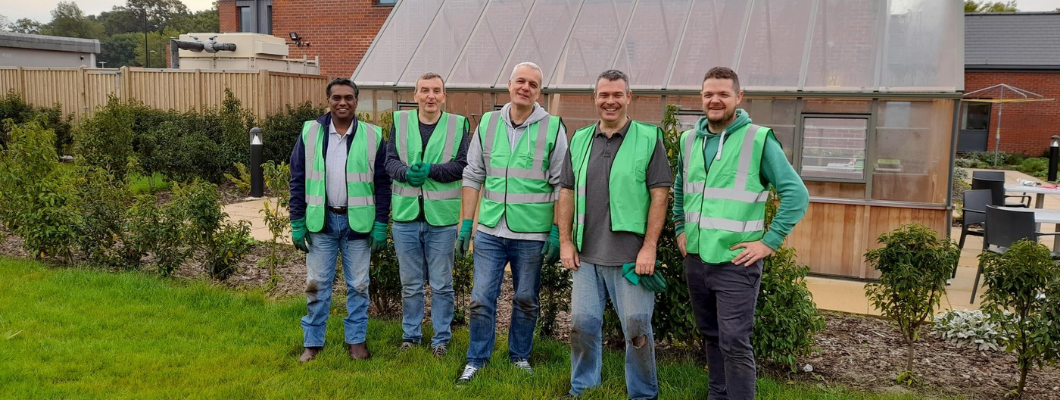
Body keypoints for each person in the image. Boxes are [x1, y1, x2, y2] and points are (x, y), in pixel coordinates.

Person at [673, 67, 808, 400]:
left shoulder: (757, 139)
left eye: (723, 94)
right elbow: (681, 189)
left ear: (738, 97)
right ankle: (717, 395)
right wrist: (679, 228)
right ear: (701, 97)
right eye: (708, 94)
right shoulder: (689, 140)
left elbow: (796, 194)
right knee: (711, 335)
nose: (715, 100)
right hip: (696, 260)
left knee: (734, 341)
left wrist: (768, 243)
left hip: (736, 263)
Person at [558, 70, 671, 399]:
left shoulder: (649, 139)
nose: (610, 101)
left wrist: (649, 248)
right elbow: (565, 192)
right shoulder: (579, 140)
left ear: (628, 97)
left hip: (631, 258)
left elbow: (660, 194)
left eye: (617, 95)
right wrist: (565, 241)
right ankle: (582, 388)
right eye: (603, 95)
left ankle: (643, 393)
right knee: (582, 325)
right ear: (595, 98)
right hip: (586, 255)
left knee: (637, 328)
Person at [455, 61, 568, 383]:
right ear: (509, 84)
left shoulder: (552, 127)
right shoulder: (488, 124)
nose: (525, 88)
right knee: (480, 299)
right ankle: (477, 359)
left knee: (526, 299)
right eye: (521, 81)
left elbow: (562, 184)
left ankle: (520, 355)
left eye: (533, 84)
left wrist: (558, 231)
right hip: (490, 230)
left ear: (539, 92)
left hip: (532, 233)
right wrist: (467, 224)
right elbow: (473, 174)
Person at [288, 78, 392, 363]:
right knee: (316, 284)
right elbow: (297, 179)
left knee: (359, 285)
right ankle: (312, 342)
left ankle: (356, 341)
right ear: (328, 101)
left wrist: (381, 224)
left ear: (356, 101)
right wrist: (297, 221)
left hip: (358, 225)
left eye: (348, 97)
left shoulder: (373, 136)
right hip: (321, 223)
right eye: (336, 97)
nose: (342, 102)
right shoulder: (310, 132)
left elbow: (383, 185)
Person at [384, 72, 470, 358]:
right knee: (410, 283)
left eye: (436, 90)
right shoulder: (401, 121)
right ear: (415, 95)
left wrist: (430, 170)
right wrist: (406, 174)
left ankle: (441, 339)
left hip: (442, 220)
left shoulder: (458, 124)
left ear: (444, 96)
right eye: (425, 90)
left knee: (443, 285)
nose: (430, 96)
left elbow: (462, 166)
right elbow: (390, 162)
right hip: (406, 218)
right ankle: (411, 336)